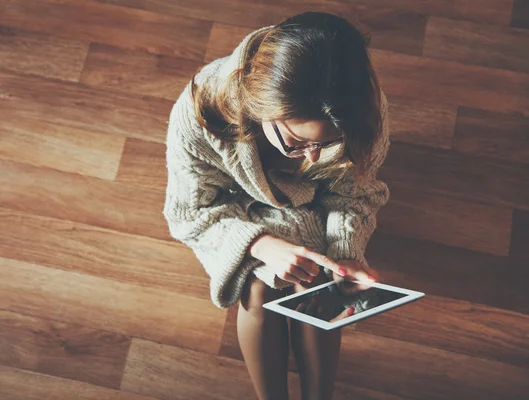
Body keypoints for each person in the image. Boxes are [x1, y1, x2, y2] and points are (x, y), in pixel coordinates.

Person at [163, 11, 390, 400]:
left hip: (314, 207)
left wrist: (347, 251)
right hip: (238, 210)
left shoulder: (362, 113)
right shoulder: (201, 111)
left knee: (317, 283)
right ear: (260, 108)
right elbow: (189, 213)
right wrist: (259, 244)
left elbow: (356, 193)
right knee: (259, 284)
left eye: (328, 142)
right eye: (297, 143)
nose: (314, 158)